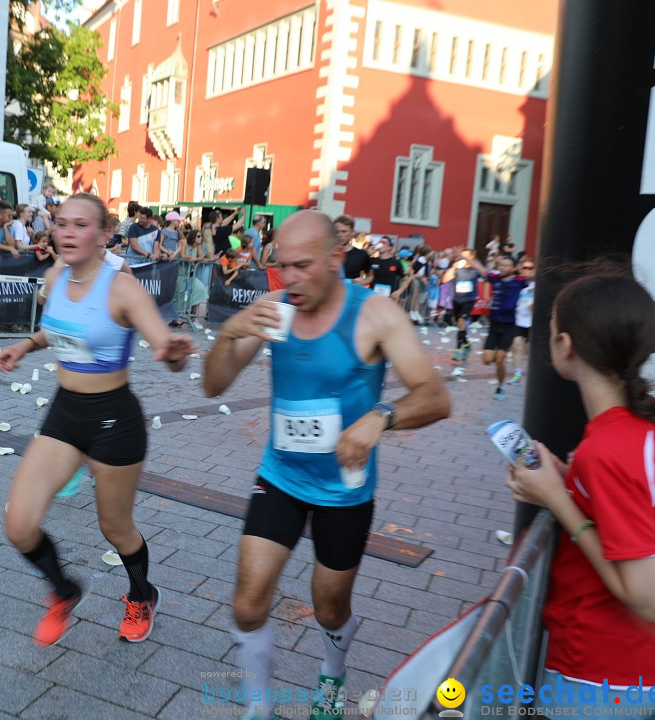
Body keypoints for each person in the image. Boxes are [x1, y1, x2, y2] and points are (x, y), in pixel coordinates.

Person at [202, 210, 450, 719]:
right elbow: (213, 387)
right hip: (281, 478)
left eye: (302, 266)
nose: (288, 279)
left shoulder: (376, 314)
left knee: (329, 609)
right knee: (248, 605)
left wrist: (380, 417)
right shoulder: (276, 309)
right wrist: (230, 334)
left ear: (337, 258)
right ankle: (259, 706)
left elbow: (435, 396)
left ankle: (332, 678)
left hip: (345, 492)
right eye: (281, 266)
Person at [0, 193, 197, 648]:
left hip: (114, 420)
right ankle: (65, 591)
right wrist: (26, 345)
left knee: (115, 528)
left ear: (104, 234)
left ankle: (142, 595)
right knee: (19, 525)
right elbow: (62, 328)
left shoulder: (122, 287)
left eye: (80, 225)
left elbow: (163, 345)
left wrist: (173, 354)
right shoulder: (54, 277)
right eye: (60, 223)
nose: (66, 232)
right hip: (65, 413)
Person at [505, 272, 655, 709]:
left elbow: (654, 597)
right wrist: (566, 481)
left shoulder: (610, 448)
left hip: (603, 673)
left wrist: (557, 500)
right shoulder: (649, 421)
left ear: (566, 345)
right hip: (630, 668)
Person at [460, 249, 528, 399]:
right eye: (501, 265)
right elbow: (481, 269)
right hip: (494, 326)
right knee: (487, 360)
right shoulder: (495, 278)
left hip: (509, 326)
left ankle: (500, 387)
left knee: (499, 359)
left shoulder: (519, 281)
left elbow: (535, 277)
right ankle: (499, 378)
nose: (502, 267)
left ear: (513, 268)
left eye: (506, 265)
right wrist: (466, 257)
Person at [509, 257, 535, 384]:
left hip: (532, 322)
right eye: (525, 268)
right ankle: (517, 373)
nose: (527, 270)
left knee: (530, 350)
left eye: (530, 268)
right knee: (516, 346)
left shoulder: (538, 285)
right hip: (519, 320)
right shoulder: (518, 284)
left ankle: (532, 374)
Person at [335, 215, 372, 286]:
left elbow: (370, 276)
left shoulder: (361, 255)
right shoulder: (327, 252)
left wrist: (361, 283)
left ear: (352, 232)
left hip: (351, 294)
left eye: (344, 231)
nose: (339, 235)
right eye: (337, 232)